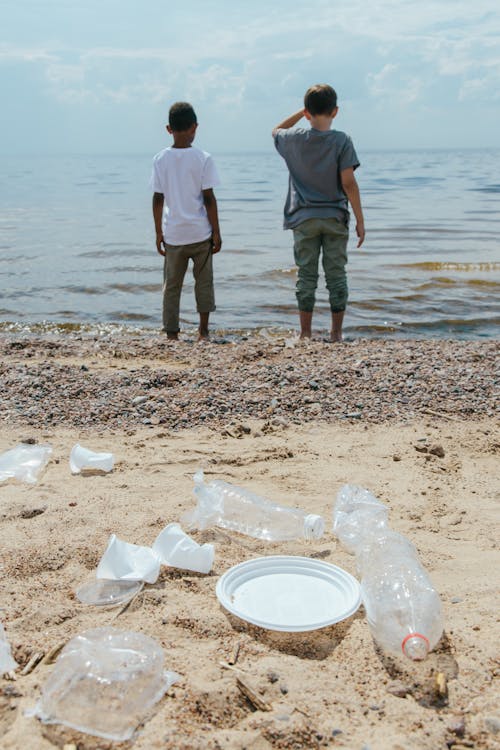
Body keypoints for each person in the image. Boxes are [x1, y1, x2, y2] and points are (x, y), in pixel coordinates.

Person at [272, 84, 365, 342]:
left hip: (303, 218)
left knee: (306, 276)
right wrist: (360, 219)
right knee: (336, 275)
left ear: (308, 112)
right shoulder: (342, 141)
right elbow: (348, 183)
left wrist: (300, 114)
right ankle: (336, 333)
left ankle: (305, 333)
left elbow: (275, 130)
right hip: (334, 217)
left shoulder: (293, 139)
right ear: (335, 111)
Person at [151, 102, 221, 340]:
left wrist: (158, 232)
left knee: (172, 286)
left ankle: (171, 333)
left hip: (174, 234)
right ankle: (203, 331)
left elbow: (158, 198)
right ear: (195, 127)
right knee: (203, 283)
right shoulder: (203, 158)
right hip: (200, 233)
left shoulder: (160, 159)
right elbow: (209, 199)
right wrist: (217, 232)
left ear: (168, 128)